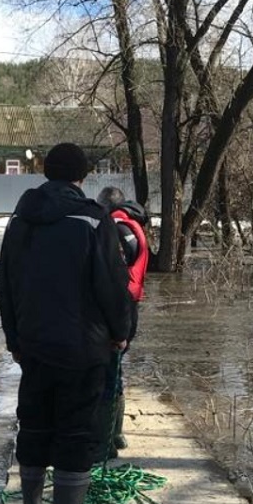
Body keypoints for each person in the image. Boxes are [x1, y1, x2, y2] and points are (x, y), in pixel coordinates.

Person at [0, 143, 131, 504]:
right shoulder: (93, 220)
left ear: (45, 172)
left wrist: (14, 339)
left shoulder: (20, 221)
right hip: (82, 348)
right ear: (82, 176)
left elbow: (5, 285)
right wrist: (121, 330)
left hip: (34, 346)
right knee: (76, 432)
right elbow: (112, 285)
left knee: (35, 425)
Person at [95, 186, 149, 459]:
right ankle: (116, 434)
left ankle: (107, 442)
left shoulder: (115, 227)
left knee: (109, 373)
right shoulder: (134, 225)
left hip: (119, 306)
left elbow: (113, 274)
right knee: (116, 371)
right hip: (131, 305)